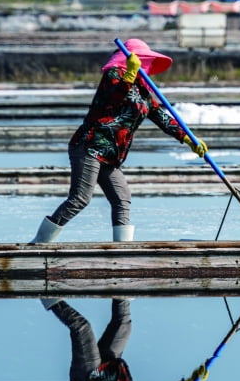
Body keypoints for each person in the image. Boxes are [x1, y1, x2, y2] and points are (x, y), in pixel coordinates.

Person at [29, 38, 206, 244]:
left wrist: (187, 138)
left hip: (111, 155)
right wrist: (129, 74)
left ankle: (122, 248)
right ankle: (39, 243)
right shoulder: (113, 76)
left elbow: (161, 116)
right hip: (90, 146)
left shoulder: (143, 89)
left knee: (122, 199)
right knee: (80, 199)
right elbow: (112, 100)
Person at [41, 297, 202, 381]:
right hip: (111, 368)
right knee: (123, 325)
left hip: (90, 378)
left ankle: (49, 297)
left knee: (82, 328)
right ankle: (121, 287)